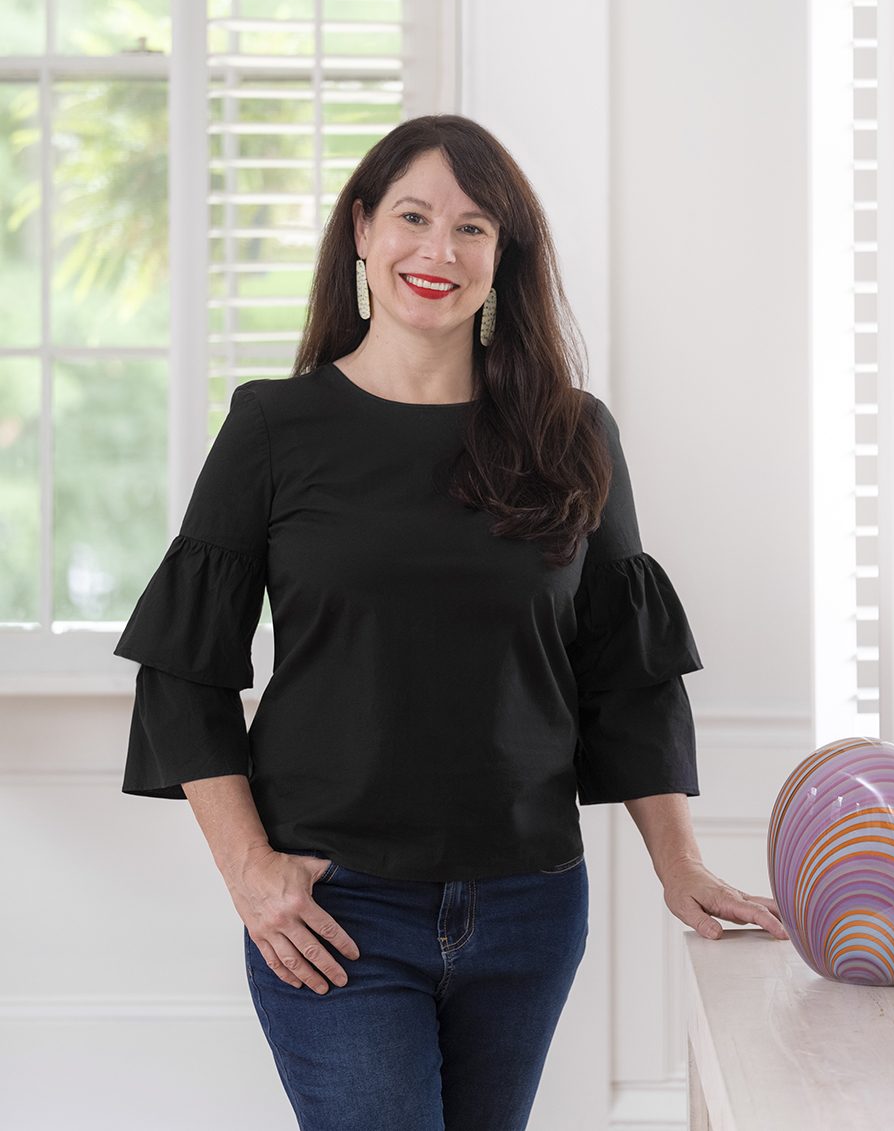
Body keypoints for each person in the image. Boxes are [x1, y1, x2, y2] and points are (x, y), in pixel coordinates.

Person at [116, 115, 785, 1131]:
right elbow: (183, 668)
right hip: (335, 910)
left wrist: (679, 861)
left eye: (473, 227)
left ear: (503, 255)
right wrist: (249, 872)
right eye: (413, 217)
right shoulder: (273, 429)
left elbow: (625, 671)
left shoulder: (573, 433)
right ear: (360, 231)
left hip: (529, 906)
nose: (439, 250)